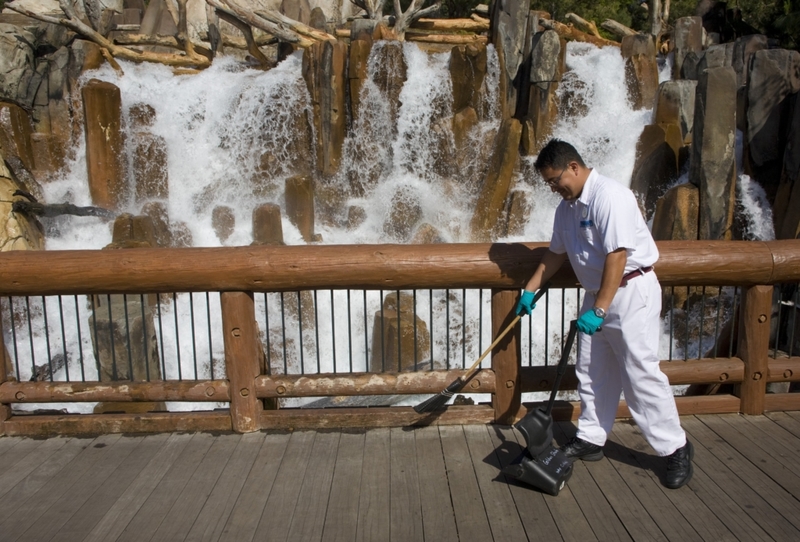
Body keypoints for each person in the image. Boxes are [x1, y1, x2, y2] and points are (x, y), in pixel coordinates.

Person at [515, 138, 693, 489]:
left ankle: (676, 448)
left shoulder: (609, 196)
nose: (553, 188)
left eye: (555, 180)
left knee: (640, 373)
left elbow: (618, 256)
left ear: (574, 167)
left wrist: (599, 309)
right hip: (598, 295)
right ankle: (592, 438)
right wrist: (530, 288)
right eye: (548, 183)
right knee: (591, 370)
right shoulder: (566, 208)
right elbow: (555, 254)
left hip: (629, 292)